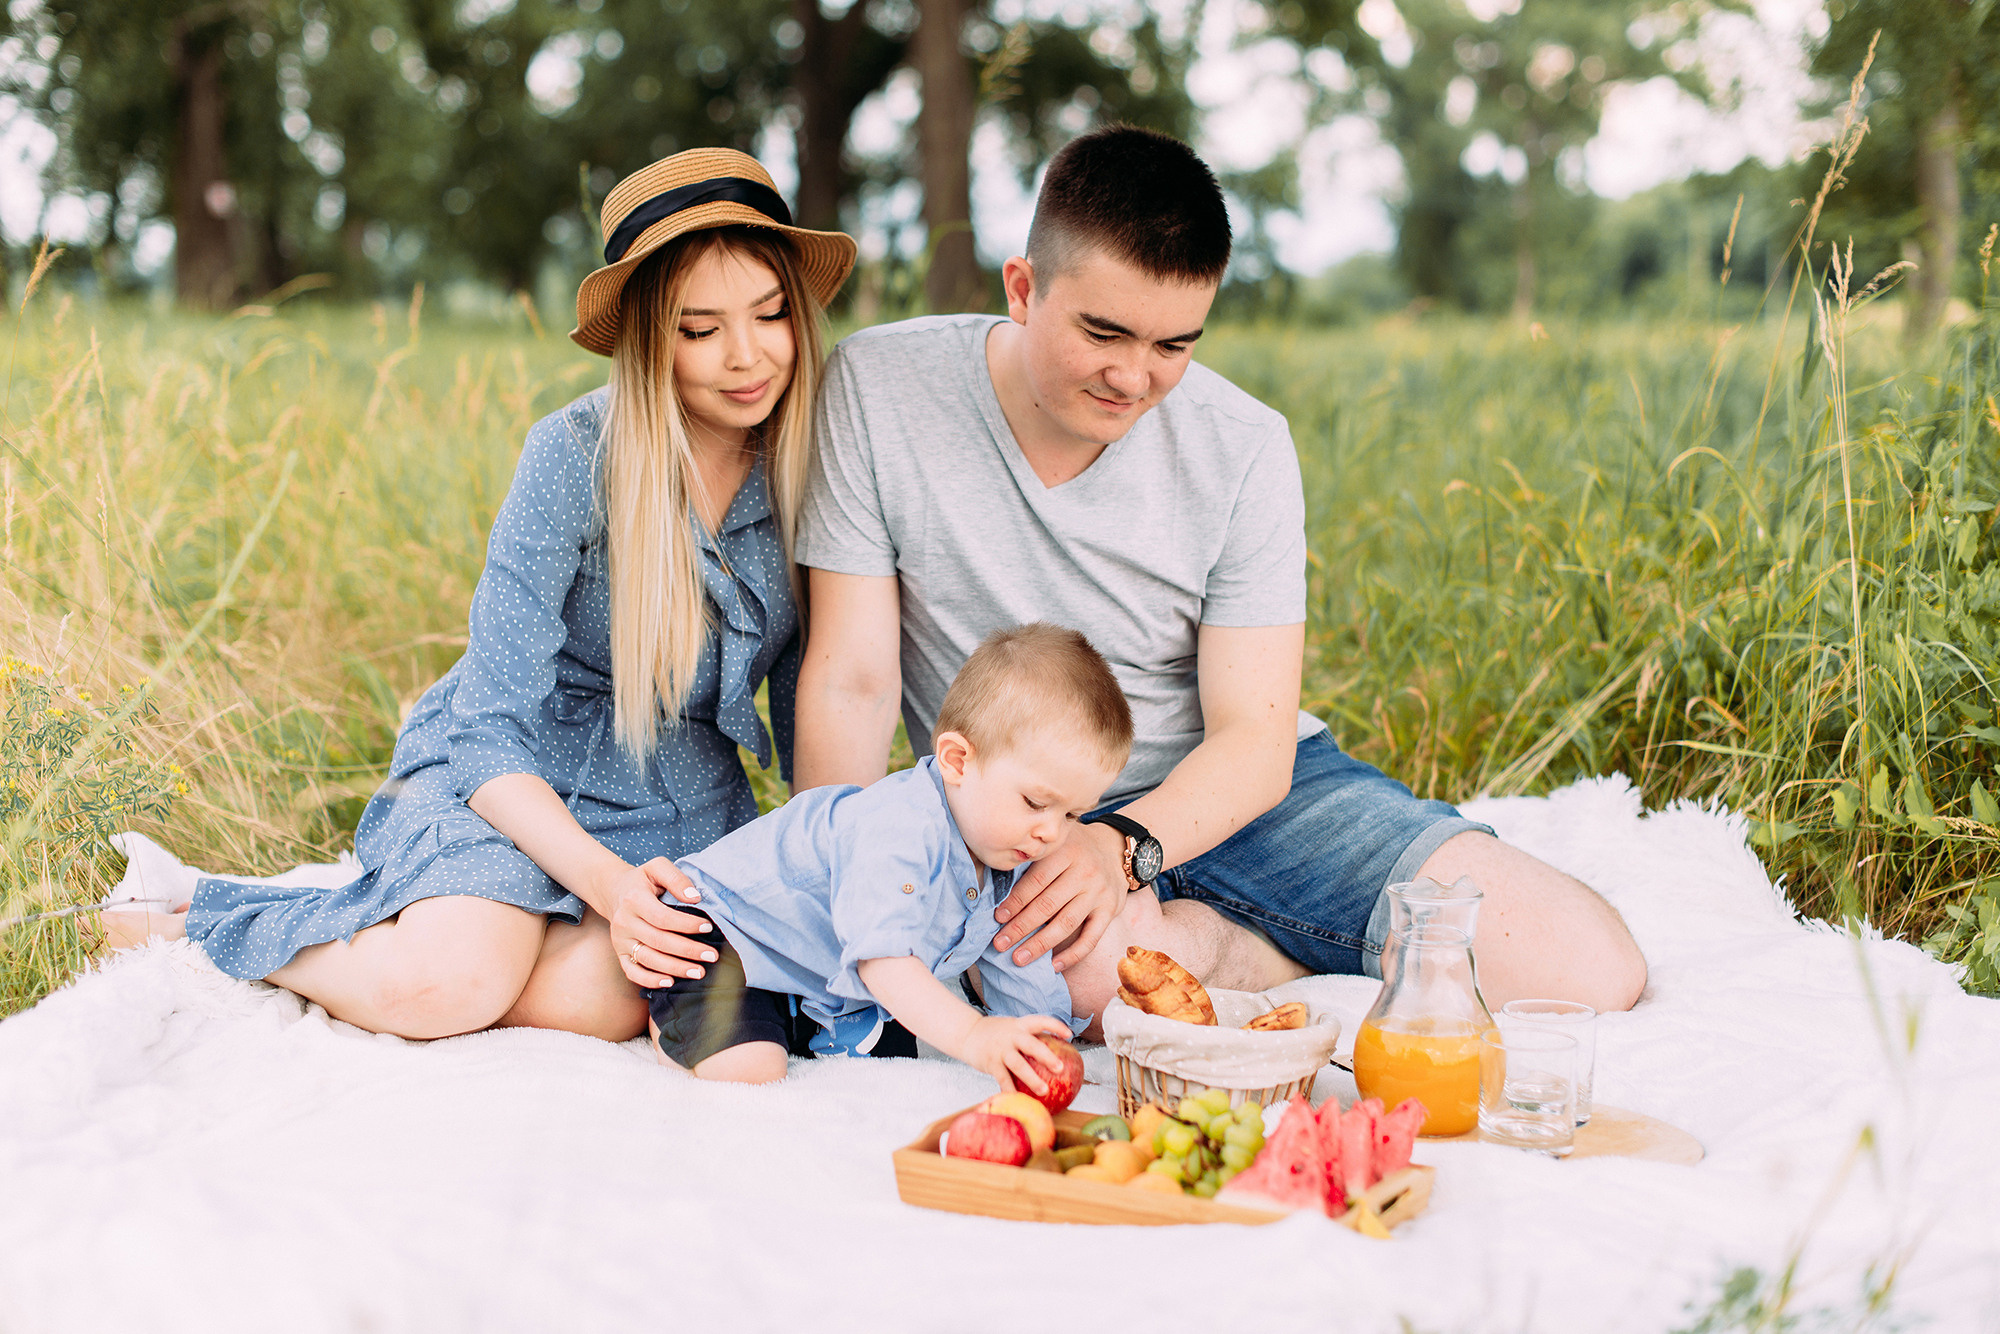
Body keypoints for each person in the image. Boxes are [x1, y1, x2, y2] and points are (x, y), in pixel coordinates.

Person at [792, 125, 1648, 1022]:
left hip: (1232, 794)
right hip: (1027, 807)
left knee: (1589, 970)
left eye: (1175, 345)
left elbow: (1253, 739)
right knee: (1073, 985)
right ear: (1023, 287)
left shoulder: (1243, 446)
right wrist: (830, 895)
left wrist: (1122, 848)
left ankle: (1236, 950)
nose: (1134, 378)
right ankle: (1213, 943)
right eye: (1104, 333)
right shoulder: (879, 390)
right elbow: (853, 681)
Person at [104, 148, 858, 1043]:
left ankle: (437, 922)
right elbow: (488, 723)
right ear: (650, 338)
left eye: (771, 315)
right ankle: (199, 920)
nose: (747, 357)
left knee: (612, 999)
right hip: (511, 779)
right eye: (700, 330)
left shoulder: (817, 465)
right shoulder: (573, 454)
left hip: (678, 800)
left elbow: (824, 690)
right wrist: (608, 888)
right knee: (448, 989)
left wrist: (822, 881)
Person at [645, 623, 1121, 1089]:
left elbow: (1013, 957)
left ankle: (790, 1014)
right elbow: (883, 961)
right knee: (751, 1068)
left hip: (816, 967)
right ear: (957, 760)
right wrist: (973, 1035)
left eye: (1073, 816)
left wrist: (1045, 1036)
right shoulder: (899, 827)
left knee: (892, 1059)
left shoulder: (1006, 847)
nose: (1051, 833)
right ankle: (681, 1020)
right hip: (724, 934)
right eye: (1037, 804)